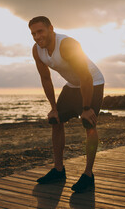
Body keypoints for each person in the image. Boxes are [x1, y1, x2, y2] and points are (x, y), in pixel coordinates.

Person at [29, 16, 104, 193]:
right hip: (72, 85)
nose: (37, 36)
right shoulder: (37, 50)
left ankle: (88, 174)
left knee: (89, 124)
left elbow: (85, 76)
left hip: (92, 82)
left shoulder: (67, 45)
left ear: (51, 29)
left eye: (40, 31)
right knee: (56, 121)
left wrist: (86, 109)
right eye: (33, 33)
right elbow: (46, 79)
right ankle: (58, 170)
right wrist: (54, 108)